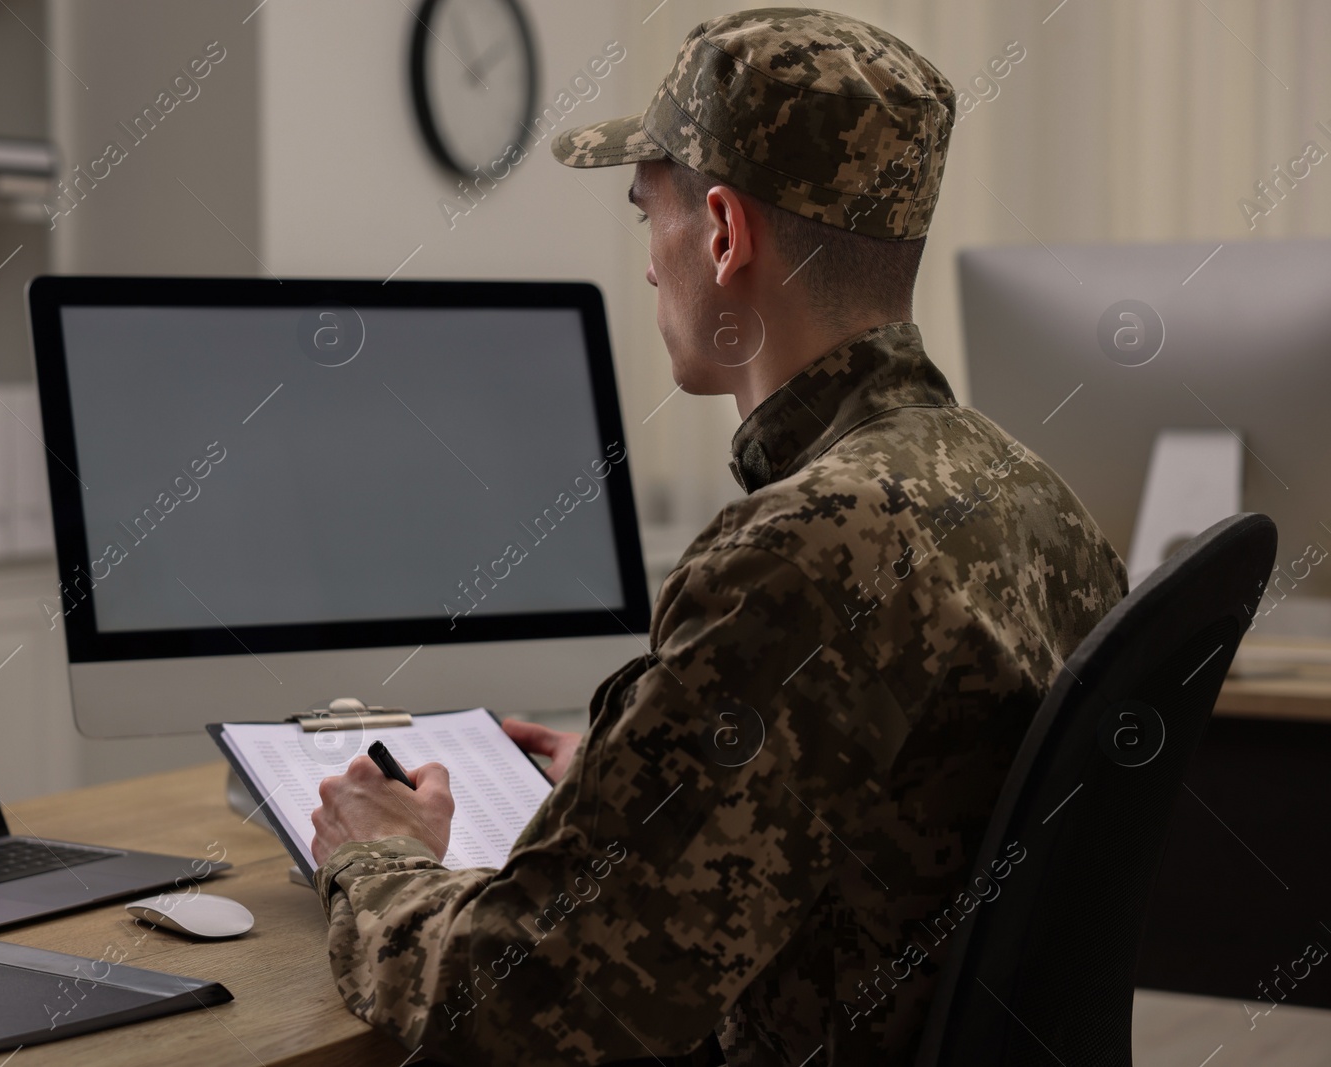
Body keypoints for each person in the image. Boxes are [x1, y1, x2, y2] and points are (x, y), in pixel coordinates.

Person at [308, 9, 1127, 1065]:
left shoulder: (805, 549)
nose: (650, 262)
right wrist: (644, 772)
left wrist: (377, 860)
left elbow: (525, 1000)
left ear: (725, 233)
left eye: (648, 210)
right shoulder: (1025, 492)